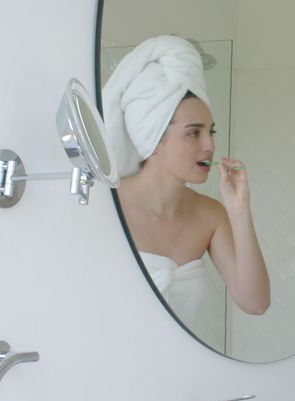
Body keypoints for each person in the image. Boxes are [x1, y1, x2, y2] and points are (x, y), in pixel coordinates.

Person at [103, 35, 270, 328]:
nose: (209, 145)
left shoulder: (210, 215)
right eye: (194, 133)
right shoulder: (105, 208)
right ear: (154, 140)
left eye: (211, 132)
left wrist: (240, 210)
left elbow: (255, 303)